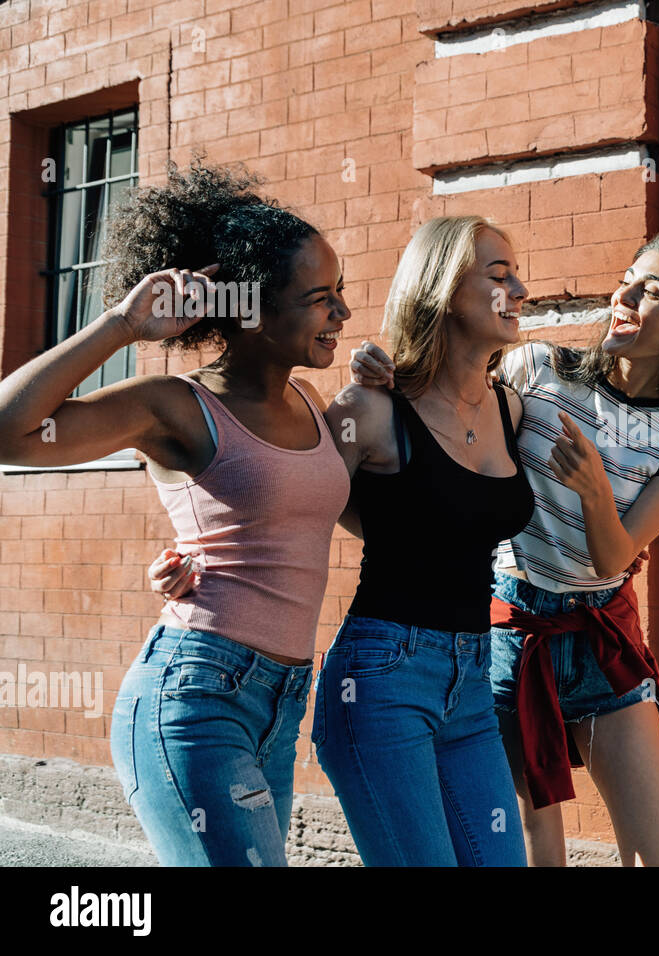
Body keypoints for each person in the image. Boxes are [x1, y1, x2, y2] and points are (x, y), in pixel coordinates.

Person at [348, 227, 659, 865]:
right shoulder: (536, 369)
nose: (624, 294)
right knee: (533, 853)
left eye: (651, 292)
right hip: (509, 637)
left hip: (602, 644)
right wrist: (389, 374)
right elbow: (448, 409)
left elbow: (616, 557)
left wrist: (595, 486)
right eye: (627, 277)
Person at [150, 216, 539, 865]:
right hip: (384, 680)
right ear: (440, 288)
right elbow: (294, 496)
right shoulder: (371, 408)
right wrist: (193, 552)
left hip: (474, 680)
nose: (519, 289)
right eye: (498, 276)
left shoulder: (512, 409)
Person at [0, 160, 352, 866]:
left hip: (280, 704)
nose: (340, 312)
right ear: (252, 310)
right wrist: (123, 326)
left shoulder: (315, 405)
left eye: (338, 292)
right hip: (196, 695)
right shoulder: (177, 407)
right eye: (319, 298)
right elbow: (11, 430)